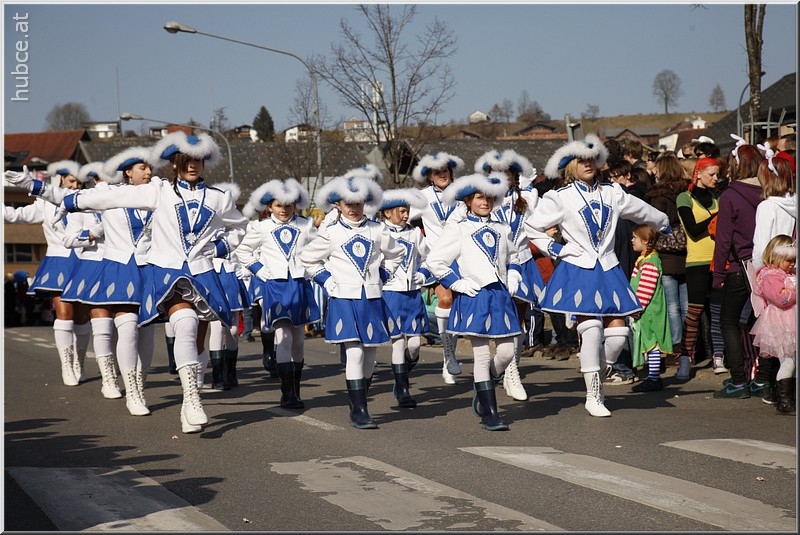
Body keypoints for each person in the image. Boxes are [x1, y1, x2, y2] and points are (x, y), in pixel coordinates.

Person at [54, 131, 248, 434]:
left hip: (202, 273)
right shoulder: (160, 191)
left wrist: (219, 247)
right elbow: (114, 197)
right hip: (167, 272)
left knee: (198, 334)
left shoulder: (218, 198)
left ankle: (187, 403)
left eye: (198, 160)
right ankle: (192, 399)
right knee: (184, 323)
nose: (192, 165)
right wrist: (74, 200)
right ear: (174, 163)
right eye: (185, 160)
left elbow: (239, 227)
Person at [524, 134, 670, 417]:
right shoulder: (559, 197)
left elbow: (641, 210)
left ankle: (599, 371)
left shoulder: (613, 193)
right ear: (570, 166)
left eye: (591, 159)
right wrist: (556, 249)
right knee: (591, 330)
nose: (588, 164)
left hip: (609, 268)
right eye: (581, 160)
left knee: (618, 334)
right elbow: (532, 227)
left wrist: (663, 222)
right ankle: (593, 393)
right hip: (579, 268)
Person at [299, 174, 404, 429]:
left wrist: (383, 276)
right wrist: (326, 281)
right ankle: (359, 410)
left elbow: (396, 254)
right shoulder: (331, 232)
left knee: (369, 356)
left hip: (371, 299)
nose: (354, 208)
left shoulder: (378, 229)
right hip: (344, 299)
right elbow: (308, 258)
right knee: (354, 353)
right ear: (338, 204)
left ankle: (359, 400)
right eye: (348, 204)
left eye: (358, 203)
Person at [426, 172, 521, 431]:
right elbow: (435, 261)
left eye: (489, 198)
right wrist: (457, 283)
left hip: (500, 296)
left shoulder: (502, 228)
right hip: (474, 296)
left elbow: (513, 257)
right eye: (479, 197)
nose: (485, 202)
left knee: (507, 352)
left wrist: (513, 275)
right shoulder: (458, 228)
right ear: (468, 201)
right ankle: (490, 412)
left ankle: (486, 383)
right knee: (481, 355)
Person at [237, 178, 320, 409]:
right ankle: (287, 393)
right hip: (275, 287)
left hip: (300, 285)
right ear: (269, 207)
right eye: (278, 205)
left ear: (295, 205)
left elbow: (320, 250)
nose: (284, 209)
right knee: (284, 336)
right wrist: (260, 271)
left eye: (288, 205)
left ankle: (296, 389)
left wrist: (313, 270)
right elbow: (243, 251)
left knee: (299, 341)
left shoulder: (305, 225)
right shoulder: (261, 227)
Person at [4, 160, 89, 387]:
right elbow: (17, 215)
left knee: (82, 317)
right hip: (58, 260)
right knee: (64, 313)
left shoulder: (87, 201)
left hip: (85, 261)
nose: (75, 186)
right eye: (71, 181)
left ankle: (79, 362)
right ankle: (66, 365)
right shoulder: (45, 203)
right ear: (61, 180)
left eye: (79, 183)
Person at [475, 149, 542, 402]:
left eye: (507, 173)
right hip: (495, 264)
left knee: (520, 321)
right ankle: (506, 369)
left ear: (515, 176)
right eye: (496, 173)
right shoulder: (484, 200)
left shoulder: (529, 197)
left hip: (522, 262)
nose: (502, 178)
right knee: (505, 320)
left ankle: (512, 372)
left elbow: (539, 225)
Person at [711, 140, 766, 400]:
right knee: (764, 322)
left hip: (739, 265)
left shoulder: (730, 196)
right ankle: (763, 378)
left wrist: (718, 274)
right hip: (767, 265)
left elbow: (723, 239)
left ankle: (738, 381)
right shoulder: (770, 192)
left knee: (728, 321)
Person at [409, 152, 467, 385]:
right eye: (436, 172)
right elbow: (402, 218)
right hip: (435, 258)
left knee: (456, 307)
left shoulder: (462, 193)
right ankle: (448, 353)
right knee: (445, 300)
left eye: (445, 171)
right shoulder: (422, 197)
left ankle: (448, 356)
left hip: (461, 257)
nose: (442, 175)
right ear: (429, 176)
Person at [376, 188, 432, 408]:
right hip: (391, 294)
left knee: (415, 344)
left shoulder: (415, 233)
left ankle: (403, 372)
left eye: (407, 210)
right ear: (387, 212)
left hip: (412, 294)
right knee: (398, 342)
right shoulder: (378, 232)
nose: (406, 215)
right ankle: (402, 389)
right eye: (401, 211)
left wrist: (423, 274)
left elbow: (428, 258)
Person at [674, 157, 721, 381]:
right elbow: (692, 229)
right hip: (697, 261)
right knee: (694, 312)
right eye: (711, 174)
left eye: (717, 174)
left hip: (719, 260)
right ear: (698, 173)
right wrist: (717, 216)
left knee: (719, 311)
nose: (716, 178)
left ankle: (719, 356)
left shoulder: (717, 197)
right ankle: (685, 358)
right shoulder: (685, 197)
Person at [206, 182, 250, 392]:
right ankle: (220, 375)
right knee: (218, 326)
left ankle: (228, 374)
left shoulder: (237, 225)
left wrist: (244, 269)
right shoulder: (208, 224)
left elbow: (244, 249)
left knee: (229, 328)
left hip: (229, 276)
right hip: (215, 275)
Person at [646, 153, 689, 368]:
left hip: (666, 253)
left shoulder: (658, 196)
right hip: (688, 251)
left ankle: (676, 347)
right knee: (687, 305)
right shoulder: (687, 191)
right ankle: (690, 347)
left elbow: (655, 223)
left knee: (672, 305)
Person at [749, 235, 796, 414]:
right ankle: (784, 401)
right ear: (775, 257)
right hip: (781, 323)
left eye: (794, 260)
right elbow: (781, 299)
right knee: (788, 361)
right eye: (788, 260)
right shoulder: (770, 276)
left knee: (793, 361)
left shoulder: (788, 274)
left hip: (790, 322)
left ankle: (789, 397)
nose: (792, 264)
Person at [629, 224, 672, 392]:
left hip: (650, 311)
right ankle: (652, 376)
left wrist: (637, 309)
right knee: (648, 341)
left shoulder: (650, 262)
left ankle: (654, 378)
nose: (632, 240)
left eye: (635, 237)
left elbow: (646, 290)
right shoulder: (643, 260)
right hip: (645, 311)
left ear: (645, 240)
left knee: (652, 342)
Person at [752, 150, 796, 270]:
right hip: (792, 267)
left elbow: (761, 248)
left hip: (773, 269)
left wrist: (758, 272)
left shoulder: (767, 206)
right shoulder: (794, 203)